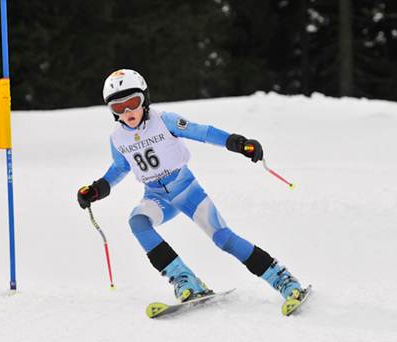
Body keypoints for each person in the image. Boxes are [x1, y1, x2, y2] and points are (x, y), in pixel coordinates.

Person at [77, 69, 307, 315]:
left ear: (145, 98)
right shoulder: (117, 138)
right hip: (156, 196)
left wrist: (238, 143)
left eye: (133, 103)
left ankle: (284, 281)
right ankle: (185, 282)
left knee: (223, 239)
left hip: (186, 189)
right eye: (117, 107)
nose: (127, 112)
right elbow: (120, 167)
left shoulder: (164, 120)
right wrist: (98, 188)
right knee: (138, 222)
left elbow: (202, 132)